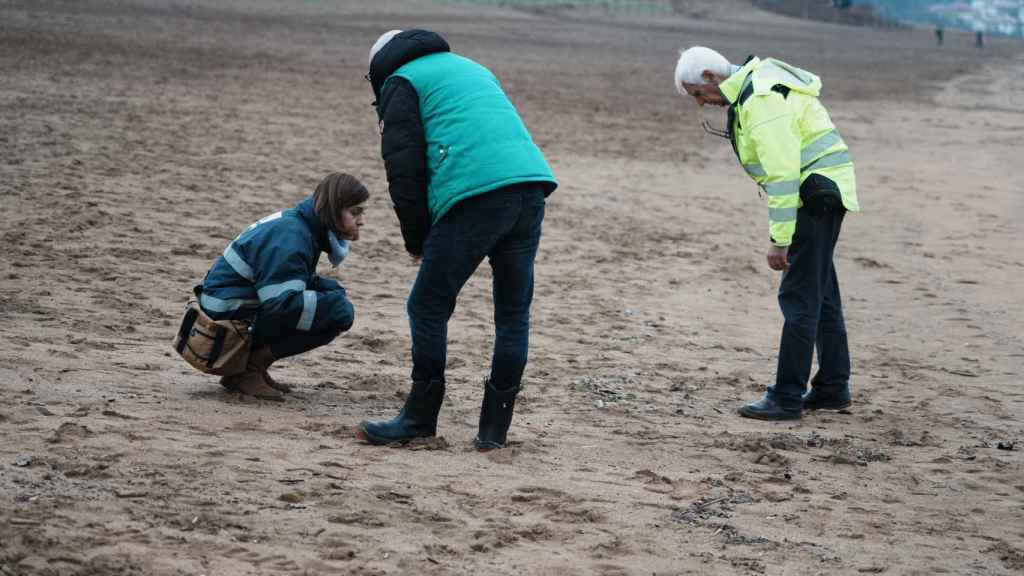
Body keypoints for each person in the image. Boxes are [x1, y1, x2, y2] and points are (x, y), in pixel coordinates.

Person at [355, 29, 557, 450]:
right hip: (531, 187)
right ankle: (493, 432)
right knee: (512, 315)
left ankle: (418, 418)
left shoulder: (401, 81)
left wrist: (417, 240)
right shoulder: (471, 67)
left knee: (427, 305)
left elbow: (405, 171)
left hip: (477, 196)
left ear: (379, 65)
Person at [674, 47, 860, 420]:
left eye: (698, 94)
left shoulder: (760, 98)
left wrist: (780, 239)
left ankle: (788, 396)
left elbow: (783, 173)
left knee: (799, 299)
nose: (702, 103)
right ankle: (831, 387)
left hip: (815, 195)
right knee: (820, 294)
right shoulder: (757, 86)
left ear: (711, 76)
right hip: (826, 191)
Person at [197, 172, 367, 400]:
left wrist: (332, 292)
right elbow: (280, 304)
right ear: (332, 209)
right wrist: (335, 305)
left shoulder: (300, 224)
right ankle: (248, 370)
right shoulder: (293, 235)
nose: (361, 221)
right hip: (221, 319)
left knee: (332, 296)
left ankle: (250, 367)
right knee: (338, 312)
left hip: (225, 304)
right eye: (354, 212)